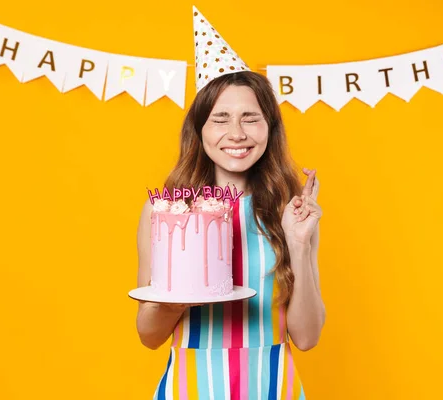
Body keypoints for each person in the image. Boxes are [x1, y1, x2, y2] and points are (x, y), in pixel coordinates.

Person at [135, 7, 325, 399]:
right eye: (220, 118)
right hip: (191, 388)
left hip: (273, 388)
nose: (236, 133)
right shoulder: (166, 213)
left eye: (250, 118)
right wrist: (179, 298)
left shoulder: (292, 214)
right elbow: (149, 336)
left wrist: (300, 243)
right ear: (199, 129)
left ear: (270, 129)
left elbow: (306, 338)